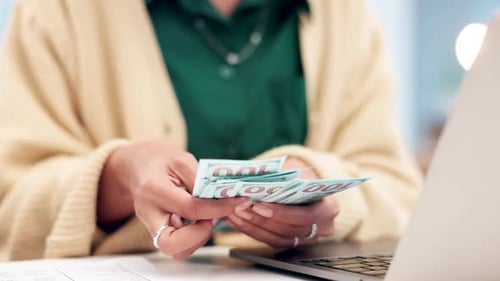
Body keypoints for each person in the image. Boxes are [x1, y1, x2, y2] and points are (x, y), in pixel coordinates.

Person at [0, 0, 422, 261]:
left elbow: (402, 195)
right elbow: (10, 206)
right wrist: (117, 176)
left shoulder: (342, 14)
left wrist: (325, 191)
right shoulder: (58, 10)